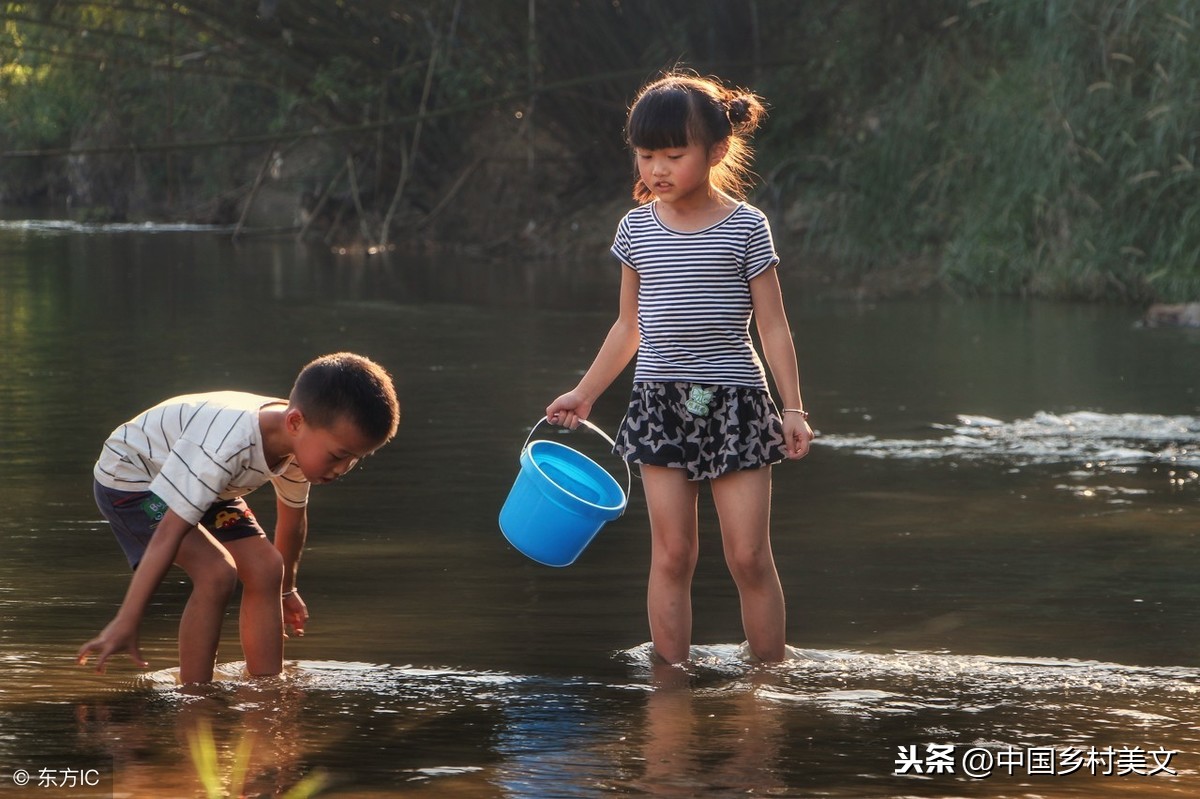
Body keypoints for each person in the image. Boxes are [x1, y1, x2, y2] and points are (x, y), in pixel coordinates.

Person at [545, 71, 813, 665]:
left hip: (737, 403)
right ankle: (670, 686)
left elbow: (772, 326)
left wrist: (792, 408)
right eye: (645, 155)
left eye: (673, 153)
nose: (657, 168)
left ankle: (769, 683)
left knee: (748, 555)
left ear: (716, 151)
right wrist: (584, 394)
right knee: (672, 555)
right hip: (659, 404)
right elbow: (628, 327)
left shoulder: (746, 225)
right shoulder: (636, 228)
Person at [77, 352, 400, 684]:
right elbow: (168, 534)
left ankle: (266, 688)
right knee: (217, 571)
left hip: (206, 484)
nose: (342, 469)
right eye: (338, 455)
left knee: (267, 567)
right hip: (134, 482)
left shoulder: (299, 446)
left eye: (354, 459)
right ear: (294, 423)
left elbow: (292, 522)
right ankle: (194, 696)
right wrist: (128, 619)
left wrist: (286, 590)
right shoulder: (227, 446)